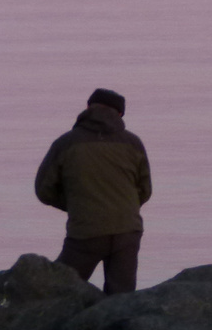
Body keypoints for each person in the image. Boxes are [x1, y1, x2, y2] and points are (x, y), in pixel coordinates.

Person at [34, 87, 152, 294]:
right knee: (121, 300)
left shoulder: (66, 143)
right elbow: (145, 190)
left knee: (59, 291)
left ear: (88, 108)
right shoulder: (133, 143)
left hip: (86, 231)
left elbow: (44, 191)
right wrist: (123, 205)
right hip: (127, 231)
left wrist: (76, 204)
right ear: (120, 114)